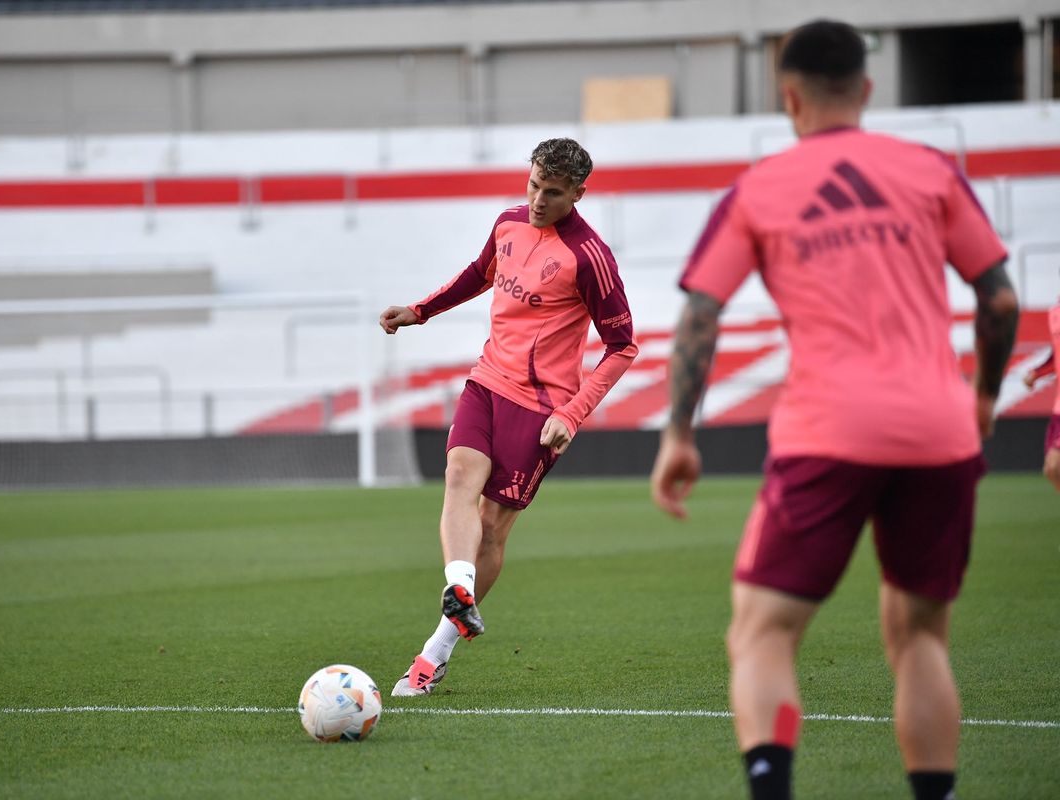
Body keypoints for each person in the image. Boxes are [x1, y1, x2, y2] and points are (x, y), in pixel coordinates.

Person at [649, 19, 1019, 800]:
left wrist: (679, 433)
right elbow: (999, 300)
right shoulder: (930, 171)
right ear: (867, 90)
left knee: (763, 631)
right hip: (939, 431)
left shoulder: (758, 189)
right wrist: (985, 396)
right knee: (920, 637)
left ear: (789, 97)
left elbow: (701, 315)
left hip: (828, 431)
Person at [379, 137, 638, 696]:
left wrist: (573, 413)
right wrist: (420, 311)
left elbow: (623, 347)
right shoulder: (508, 223)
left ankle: (435, 652)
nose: (539, 200)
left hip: (541, 406)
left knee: (493, 526)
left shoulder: (590, 256)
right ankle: (459, 588)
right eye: (534, 185)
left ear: (578, 193)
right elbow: (480, 273)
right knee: (458, 477)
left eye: (553, 193)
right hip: (488, 380)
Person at [1022, 296, 1060, 490]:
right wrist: (1037, 373)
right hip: (1058, 408)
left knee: (1054, 464)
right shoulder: (1055, 312)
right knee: (1051, 470)